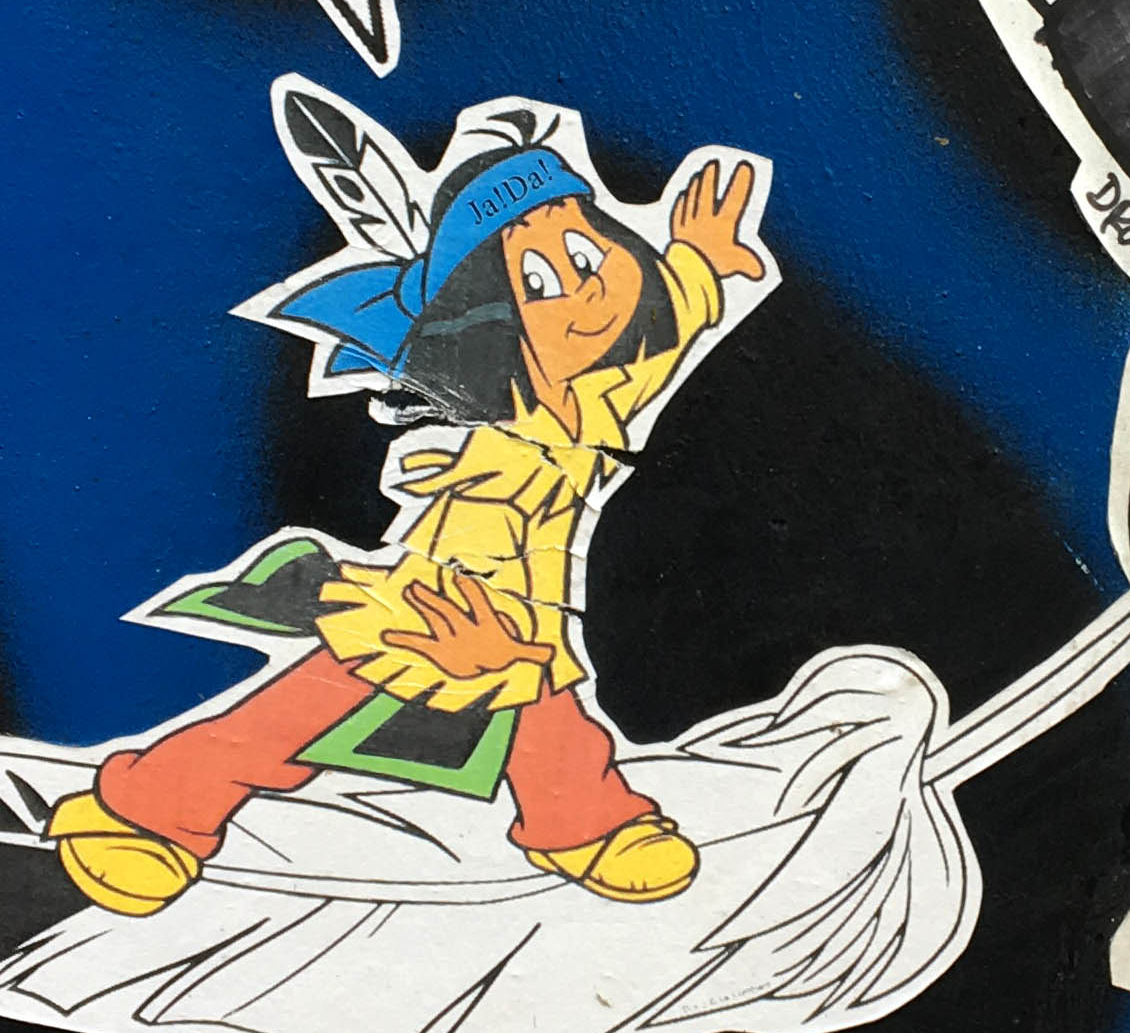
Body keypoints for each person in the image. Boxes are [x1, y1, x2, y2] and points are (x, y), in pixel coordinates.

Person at [44, 105, 768, 916]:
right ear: (494, 326)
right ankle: (148, 812)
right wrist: (477, 586)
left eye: (587, 251)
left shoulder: (593, 400)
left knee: (546, 722)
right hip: (446, 608)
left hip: (520, 618)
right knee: (304, 711)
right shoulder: (505, 449)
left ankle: (584, 824)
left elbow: (663, 337)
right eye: (539, 282)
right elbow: (472, 526)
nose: (586, 286)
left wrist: (698, 260)